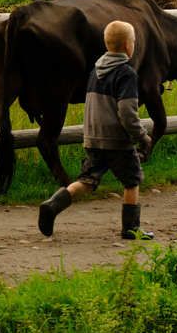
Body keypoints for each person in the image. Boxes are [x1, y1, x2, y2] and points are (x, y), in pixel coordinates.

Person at [38, 20, 155, 240]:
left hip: (93, 137)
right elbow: (127, 112)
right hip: (117, 140)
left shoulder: (95, 70)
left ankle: (53, 205)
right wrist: (141, 135)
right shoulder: (126, 73)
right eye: (133, 42)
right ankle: (131, 228)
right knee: (132, 180)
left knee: (87, 180)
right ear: (129, 46)